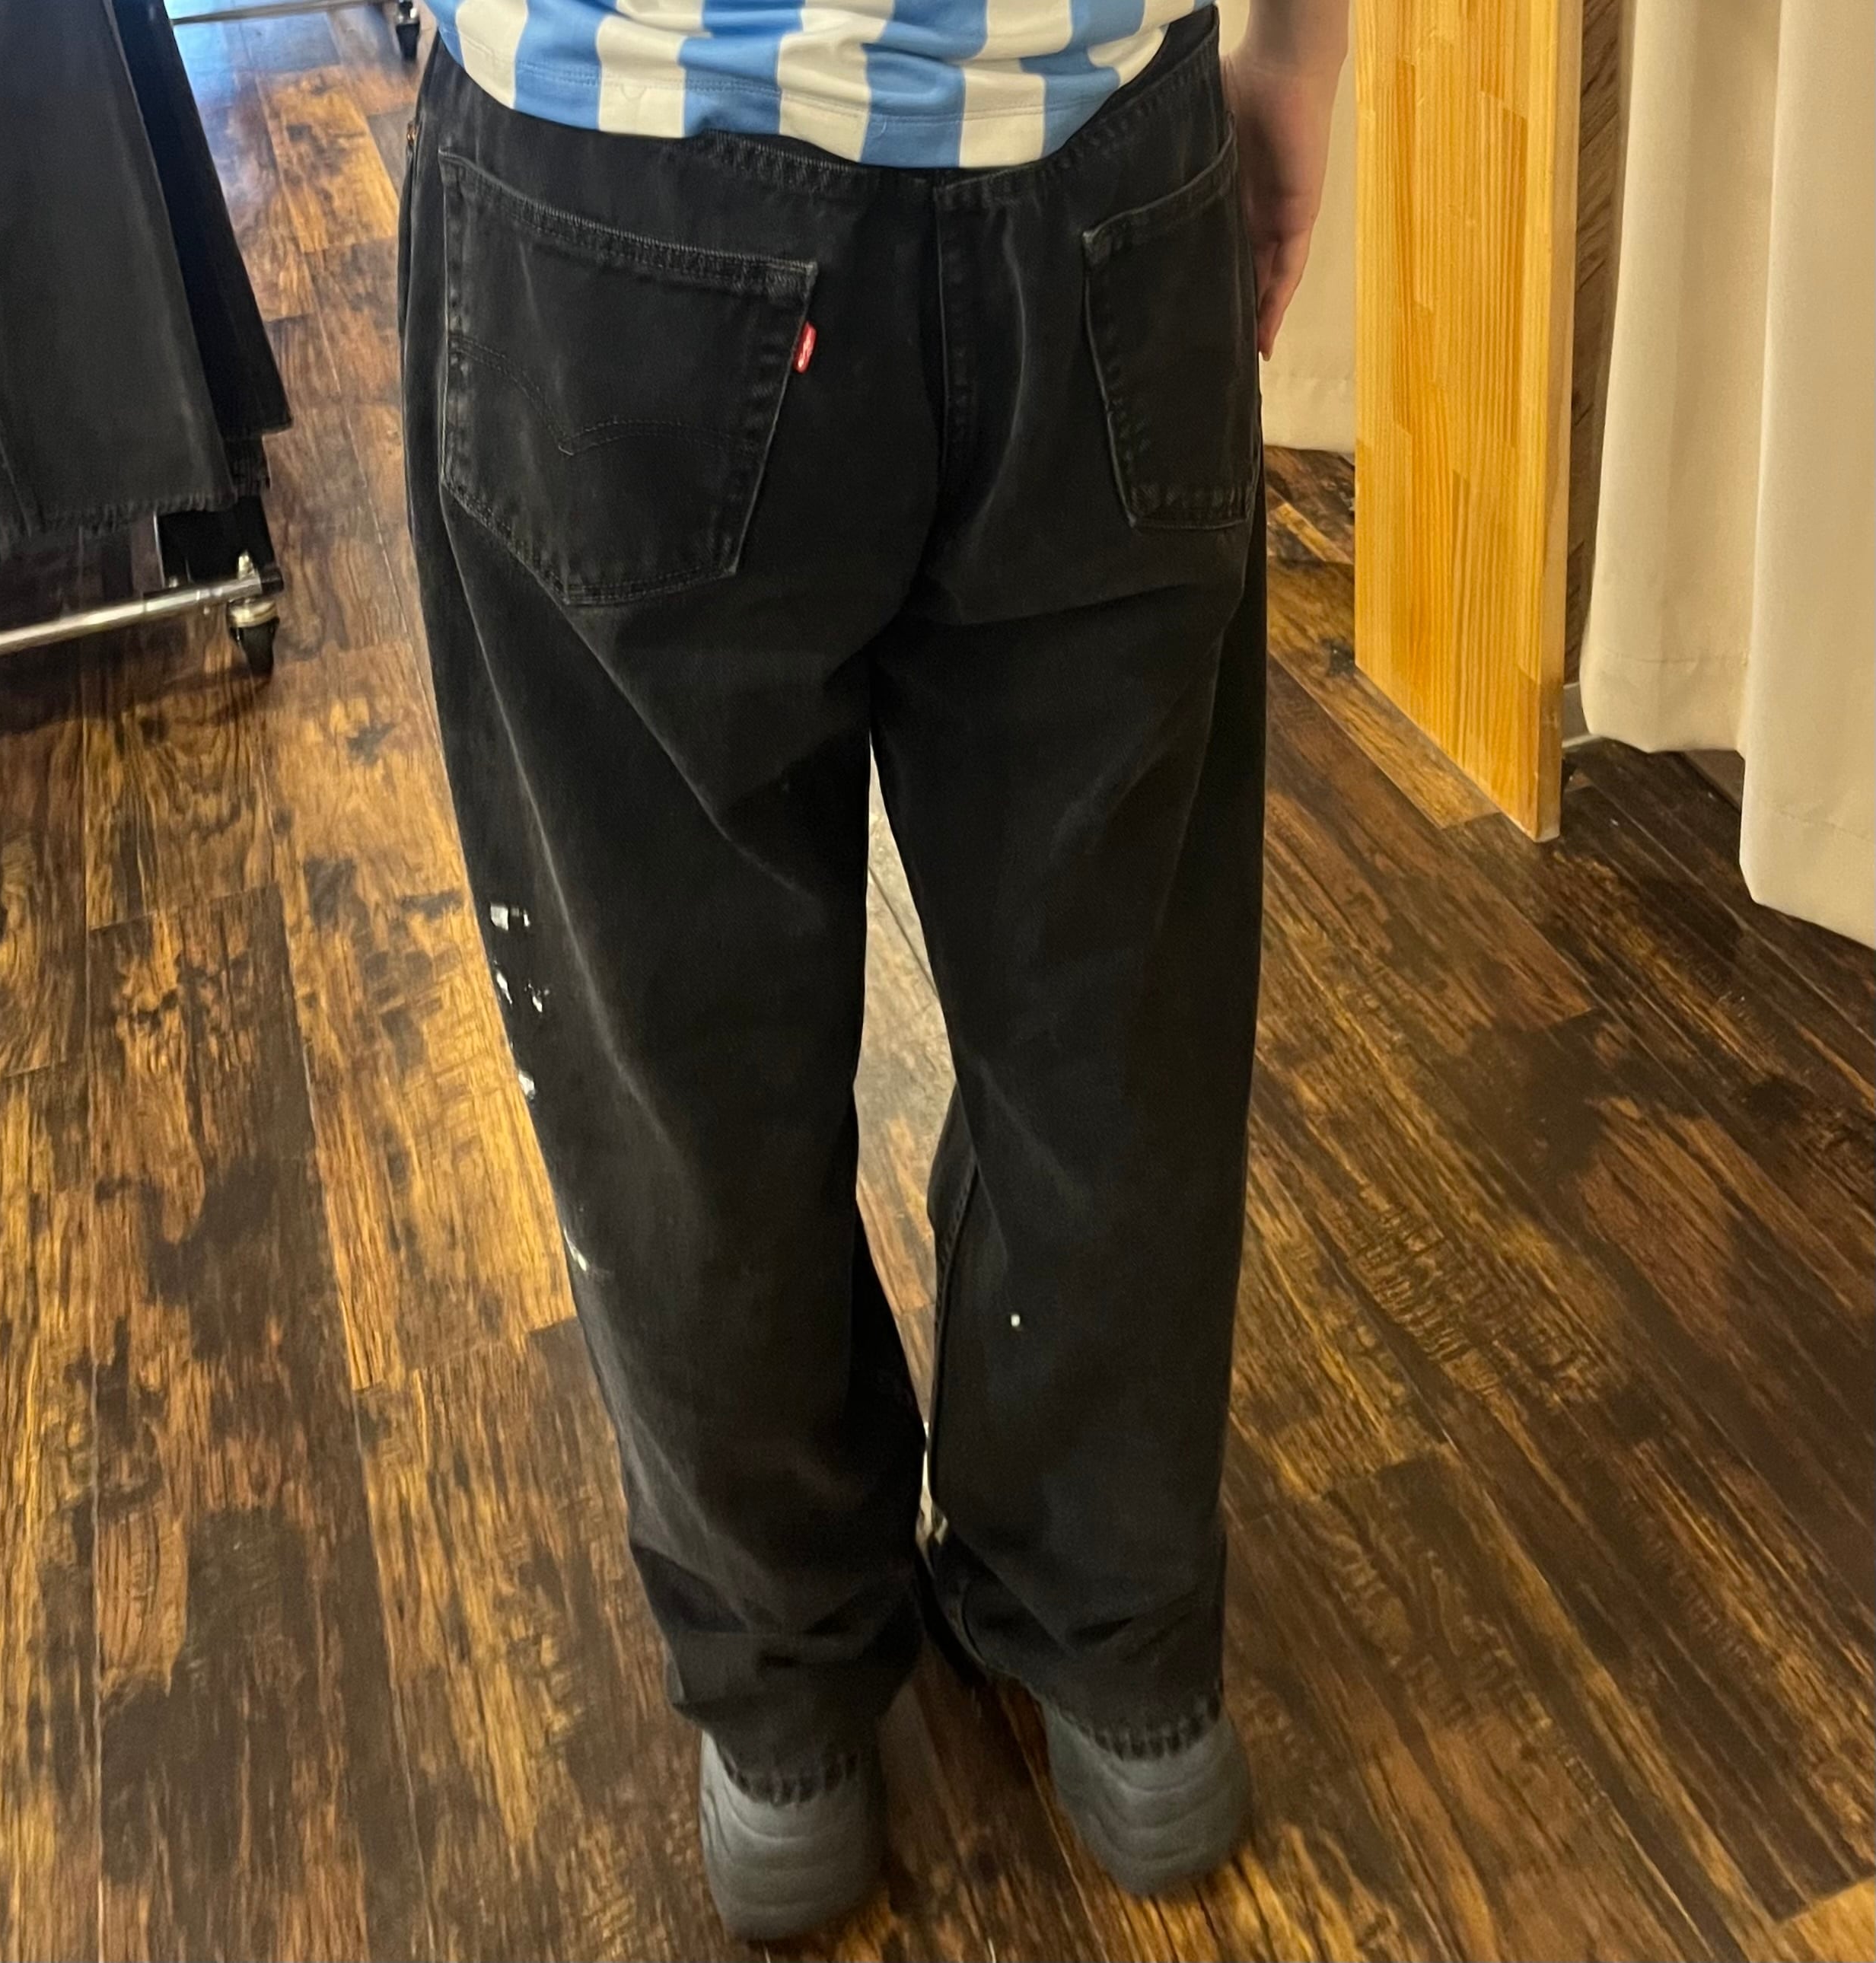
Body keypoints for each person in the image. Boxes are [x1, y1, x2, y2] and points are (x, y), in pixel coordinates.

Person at [399, 0, 1347, 1938]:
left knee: (671, 1057)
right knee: (1114, 1020)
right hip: (1095, 147)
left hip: (622, 155)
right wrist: (1302, 62)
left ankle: (786, 1717)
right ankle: (1123, 1671)